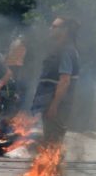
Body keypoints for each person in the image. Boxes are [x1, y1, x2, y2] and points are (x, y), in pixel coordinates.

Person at [31, 16, 81, 145]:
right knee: (49, 138)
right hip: (50, 101)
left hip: (58, 104)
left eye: (54, 27)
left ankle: (54, 165)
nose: (50, 29)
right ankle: (50, 164)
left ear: (64, 30)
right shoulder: (58, 49)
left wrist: (54, 105)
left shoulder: (67, 50)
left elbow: (65, 81)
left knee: (54, 140)